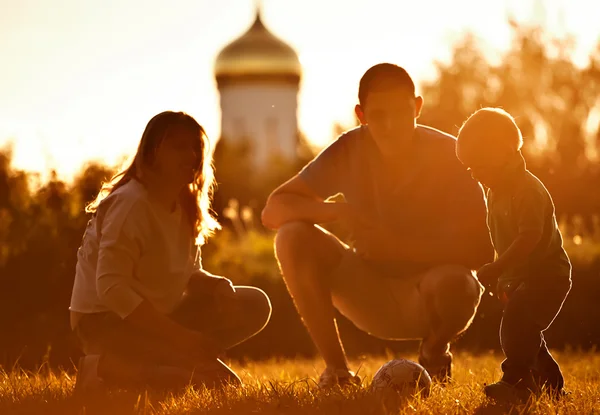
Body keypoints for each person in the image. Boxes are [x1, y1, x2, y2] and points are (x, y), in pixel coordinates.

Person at [261, 63, 494, 388]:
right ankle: (338, 373)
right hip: (367, 289)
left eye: (401, 112)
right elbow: (273, 210)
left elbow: (483, 249)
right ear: (361, 114)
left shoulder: (451, 154)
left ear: (417, 107)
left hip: (430, 294)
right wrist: (343, 211)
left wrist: (400, 247)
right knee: (291, 236)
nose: (391, 125)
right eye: (379, 115)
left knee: (458, 285)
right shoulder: (350, 148)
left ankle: (435, 350)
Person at [69, 111, 272, 394]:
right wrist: (181, 338)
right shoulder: (130, 204)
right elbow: (112, 288)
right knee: (214, 384)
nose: (190, 155)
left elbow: (187, 272)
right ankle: (104, 369)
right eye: (178, 146)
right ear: (153, 151)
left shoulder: (186, 206)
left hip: (158, 318)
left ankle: (159, 362)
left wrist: (214, 285)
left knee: (254, 303)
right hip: (105, 322)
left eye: (195, 147)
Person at [456, 107, 572, 402]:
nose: (472, 173)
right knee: (527, 334)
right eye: (468, 167)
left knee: (515, 327)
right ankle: (552, 387)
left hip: (547, 276)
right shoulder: (494, 191)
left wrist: (496, 268)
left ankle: (516, 382)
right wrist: (504, 278)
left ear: (504, 152)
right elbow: (502, 237)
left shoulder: (527, 190)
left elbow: (528, 239)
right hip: (521, 277)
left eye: (477, 164)